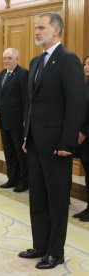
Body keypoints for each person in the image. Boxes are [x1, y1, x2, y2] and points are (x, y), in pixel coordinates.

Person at [19, 12, 86, 269]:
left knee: (57, 200)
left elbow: (77, 104)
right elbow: (31, 104)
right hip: (35, 142)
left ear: (56, 30)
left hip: (57, 145)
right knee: (37, 196)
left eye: (41, 28)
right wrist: (26, 136)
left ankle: (55, 252)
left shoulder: (69, 60)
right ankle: (40, 245)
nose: (36, 32)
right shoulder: (35, 61)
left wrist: (68, 143)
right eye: (35, 28)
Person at [0, 48, 29, 192]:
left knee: (19, 153)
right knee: (8, 151)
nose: (6, 61)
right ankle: (12, 178)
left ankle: (23, 181)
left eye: (9, 58)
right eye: (5, 58)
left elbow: (25, 99)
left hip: (17, 121)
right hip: (4, 121)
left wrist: (25, 119)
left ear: (16, 59)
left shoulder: (23, 74)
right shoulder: (2, 74)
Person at [73, 55, 89, 222]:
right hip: (82, 138)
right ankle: (87, 208)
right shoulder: (83, 86)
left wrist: (84, 132)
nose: (87, 66)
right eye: (85, 64)